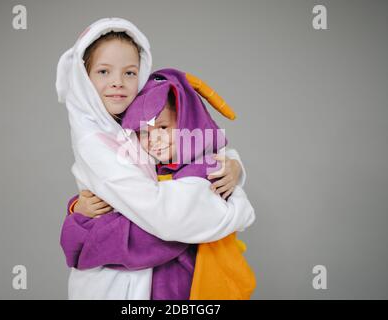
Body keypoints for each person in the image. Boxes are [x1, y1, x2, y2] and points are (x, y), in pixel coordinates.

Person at [56, 17, 254, 299]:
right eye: (103, 71)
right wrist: (236, 206)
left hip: (152, 278)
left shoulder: (127, 120)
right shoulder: (94, 142)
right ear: (83, 78)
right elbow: (166, 219)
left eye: (129, 73)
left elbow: (189, 138)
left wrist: (233, 165)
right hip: (115, 283)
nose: (117, 83)